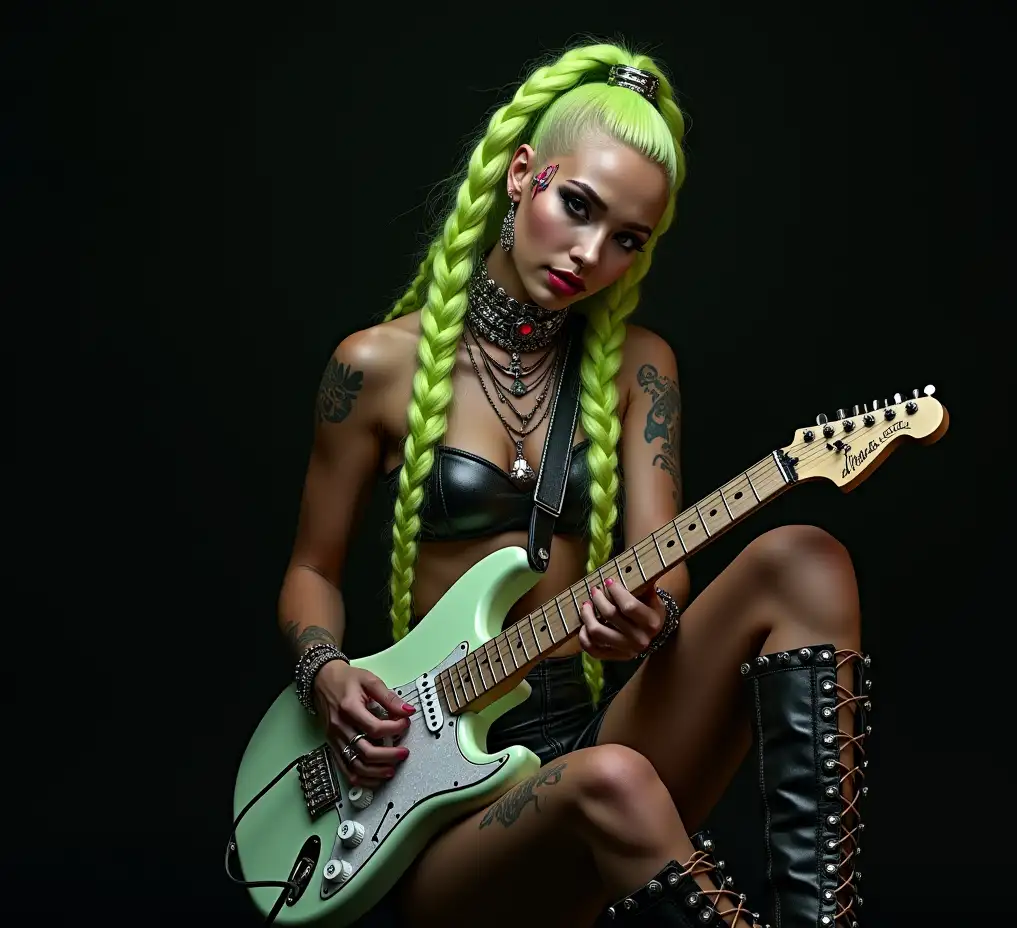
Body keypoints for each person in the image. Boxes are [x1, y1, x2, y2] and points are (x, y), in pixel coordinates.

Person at [277, 40, 871, 928]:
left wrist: (651, 617)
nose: (589, 254)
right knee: (613, 783)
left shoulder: (642, 370)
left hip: (594, 727)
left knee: (806, 560)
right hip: (430, 802)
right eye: (576, 206)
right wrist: (326, 673)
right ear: (523, 176)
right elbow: (311, 570)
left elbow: (659, 562)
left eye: (626, 239)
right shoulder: (374, 368)